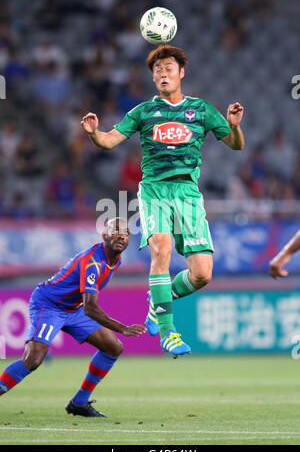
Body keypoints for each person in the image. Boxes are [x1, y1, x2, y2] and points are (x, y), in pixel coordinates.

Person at [81, 44, 245, 357]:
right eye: (157, 70)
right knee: (161, 246)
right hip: (155, 189)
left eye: (168, 67)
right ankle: (168, 332)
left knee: (202, 274)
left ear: (181, 73)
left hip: (188, 193)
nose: (163, 73)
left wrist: (235, 127)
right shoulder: (143, 112)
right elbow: (108, 141)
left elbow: (236, 145)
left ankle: (159, 301)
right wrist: (93, 133)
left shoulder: (202, 110)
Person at [0, 218, 145, 417]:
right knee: (33, 359)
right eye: (116, 231)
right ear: (104, 236)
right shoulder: (93, 261)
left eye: (126, 233)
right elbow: (91, 308)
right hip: (49, 305)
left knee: (113, 347)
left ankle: (79, 402)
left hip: (73, 309)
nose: (121, 235)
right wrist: (122, 327)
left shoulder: (115, 259)